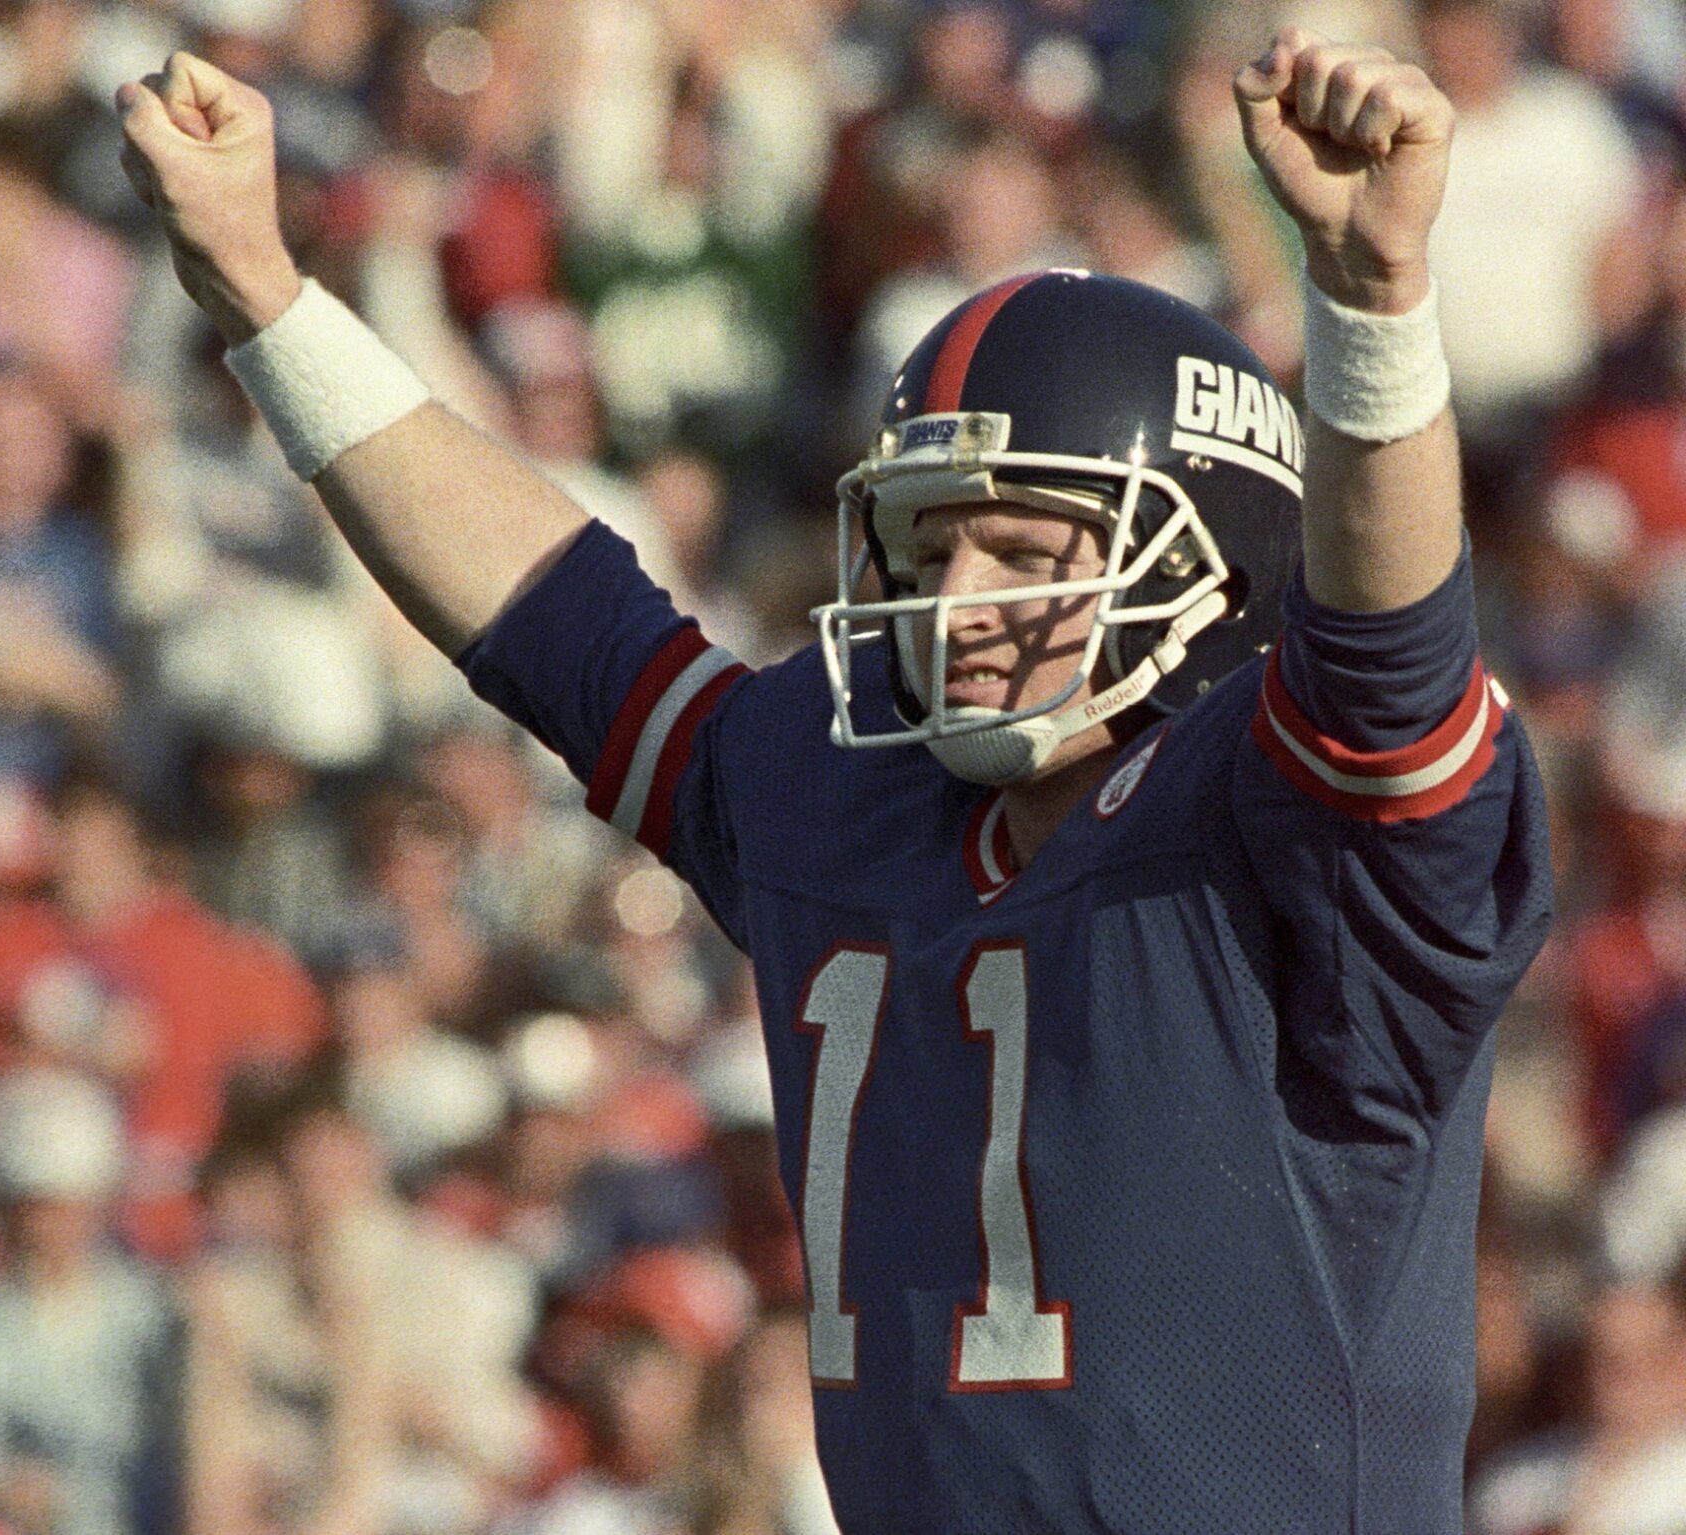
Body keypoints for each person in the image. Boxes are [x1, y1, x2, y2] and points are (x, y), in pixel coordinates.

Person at [115, 26, 1553, 1532]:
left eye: (1022, 547)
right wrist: (266, 300)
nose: (954, 604)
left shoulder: (1293, 830)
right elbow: (559, 627)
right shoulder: (846, 794)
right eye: (928, 548)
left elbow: (1389, 659)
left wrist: (1369, 303)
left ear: (1210, 569)